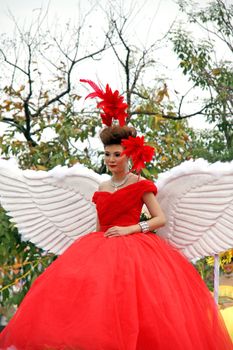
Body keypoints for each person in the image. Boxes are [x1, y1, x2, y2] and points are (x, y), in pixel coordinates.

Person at [0, 81, 232, 350]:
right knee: (92, 308)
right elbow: (100, 224)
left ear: (128, 155)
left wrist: (130, 229)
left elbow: (160, 219)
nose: (111, 159)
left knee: (142, 309)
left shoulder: (140, 184)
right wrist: (96, 246)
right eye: (107, 154)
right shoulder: (102, 187)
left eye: (117, 154)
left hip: (137, 249)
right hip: (101, 247)